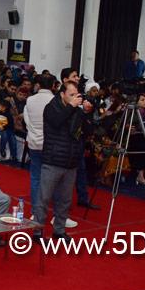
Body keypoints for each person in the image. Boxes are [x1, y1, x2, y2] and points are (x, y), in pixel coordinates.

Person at [34, 82, 87, 240]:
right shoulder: (51, 108)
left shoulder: (76, 110)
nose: (74, 98)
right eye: (71, 95)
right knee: (44, 198)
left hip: (70, 161)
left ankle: (59, 229)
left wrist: (87, 112)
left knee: (65, 200)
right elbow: (57, 121)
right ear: (62, 94)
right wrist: (71, 107)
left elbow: (86, 131)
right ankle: (37, 231)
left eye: (76, 95)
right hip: (53, 159)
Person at [23, 73, 55, 219]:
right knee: (52, 178)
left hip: (34, 142)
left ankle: (36, 212)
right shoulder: (55, 100)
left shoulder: (30, 100)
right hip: (50, 144)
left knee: (35, 177)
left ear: (38, 85)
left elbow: (27, 120)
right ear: (53, 86)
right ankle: (52, 212)